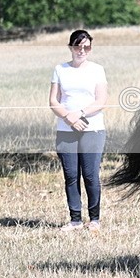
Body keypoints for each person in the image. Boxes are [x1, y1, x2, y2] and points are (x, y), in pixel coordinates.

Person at [49, 30, 108, 232]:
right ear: (71, 47)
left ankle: (94, 219)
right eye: (77, 46)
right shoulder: (60, 69)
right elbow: (53, 101)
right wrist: (68, 117)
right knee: (71, 175)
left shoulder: (97, 70)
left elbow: (101, 101)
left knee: (90, 175)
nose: (81, 50)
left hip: (93, 129)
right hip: (66, 130)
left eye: (86, 46)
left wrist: (80, 114)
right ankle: (75, 220)